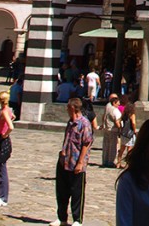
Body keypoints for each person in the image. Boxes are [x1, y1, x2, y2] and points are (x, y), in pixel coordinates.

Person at [50, 96, 93, 226]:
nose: (66, 110)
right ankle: (62, 218)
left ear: (73, 108)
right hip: (65, 161)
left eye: (68, 107)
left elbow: (86, 143)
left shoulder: (84, 124)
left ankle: (77, 220)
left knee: (77, 192)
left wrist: (81, 162)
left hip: (76, 162)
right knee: (62, 191)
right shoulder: (70, 122)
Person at [102, 93, 123, 168]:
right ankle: (110, 162)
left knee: (106, 146)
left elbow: (103, 116)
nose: (119, 104)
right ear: (114, 102)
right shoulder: (115, 110)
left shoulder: (107, 106)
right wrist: (120, 129)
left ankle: (105, 161)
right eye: (118, 103)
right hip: (113, 130)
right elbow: (117, 121)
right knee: (112, 147)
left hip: (106, 128)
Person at [116, 97, 138, 169]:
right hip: (130, 133)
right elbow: (133, 123)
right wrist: (135, 130)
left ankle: (118, 163)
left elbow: (119, 121)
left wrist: (121, 128)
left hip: (124, 133)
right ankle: (127, 164)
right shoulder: (132, 114)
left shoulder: (124, 114)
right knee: (129, 149)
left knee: (122, 149)